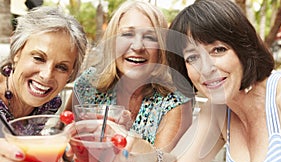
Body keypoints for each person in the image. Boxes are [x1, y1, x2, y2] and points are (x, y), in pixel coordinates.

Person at [87, 0, 281, 162]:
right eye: (192, 57)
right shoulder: (219, 110)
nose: (206, 68)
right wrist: (138, 150)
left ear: (244, 48)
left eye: (218, 49)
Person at [66, 0, 193, 151]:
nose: (138, 46)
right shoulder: (89, 83)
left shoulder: (175, 99)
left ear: (161, 48)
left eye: (150, 37)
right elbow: (64, 138)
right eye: (127, 34)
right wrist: (70, 149)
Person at [0, 6, 87, 162]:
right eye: (39, 58)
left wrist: (64, 150)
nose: (47, 76)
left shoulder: (50, 102)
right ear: (17, 53)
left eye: (62, 67)